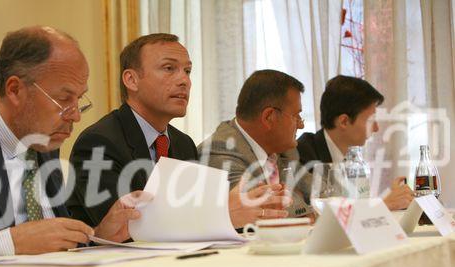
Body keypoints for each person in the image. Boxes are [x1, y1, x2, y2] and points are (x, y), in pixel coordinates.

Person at [0, 26, 143, 261]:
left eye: (79, 99)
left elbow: (51, 248)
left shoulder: (45, 146)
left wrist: (98, 237)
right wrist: (11, 242)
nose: (76, 115)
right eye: (64, 99)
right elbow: (26, 243)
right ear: (15, 90)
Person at [68, 33, 289, 230]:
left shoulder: (183, 144)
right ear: (131, 79)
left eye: (188, 71)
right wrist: (220, 215)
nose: (184, 80)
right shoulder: (99, 142)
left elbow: (194, 217)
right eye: (169, 68)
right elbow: (123, 229)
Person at [198, 69, 313, 218]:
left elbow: (323, 194)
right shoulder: (220, 150)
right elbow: (266, 213)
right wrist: (308, 210)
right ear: (269, 117)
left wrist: (308, 208)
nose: (301, 125)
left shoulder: (284, 150)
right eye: (296, 116)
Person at [297, 75, 414, 210]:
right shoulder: (304, 155)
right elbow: (325, 213)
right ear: (344, 122)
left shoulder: (353, 158)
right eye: (371, 120)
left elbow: (356, 205)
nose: (376, 128)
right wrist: (384, 205)